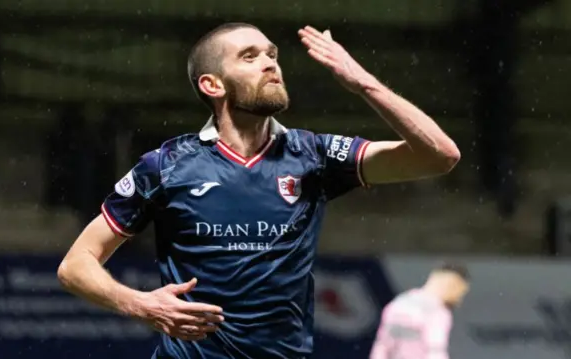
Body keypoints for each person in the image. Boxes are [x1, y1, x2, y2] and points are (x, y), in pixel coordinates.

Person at [57, 22, 461, 359]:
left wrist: (364, 83)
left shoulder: (315, 156)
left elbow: (439, 156)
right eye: (249, 57)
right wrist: (142, 305)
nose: (270, 63)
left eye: (272, 55)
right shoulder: (165, 166)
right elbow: (76, 265)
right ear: (213, 84)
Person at [369, 262, 471, 359]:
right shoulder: (437, 312)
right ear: (452, 283)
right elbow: (435, 351)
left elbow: (382, 346)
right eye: (460, 292)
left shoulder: (398, 304)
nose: (458, 299)